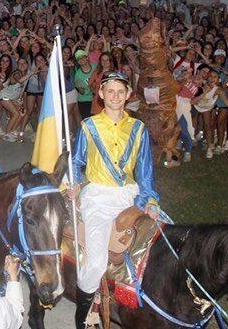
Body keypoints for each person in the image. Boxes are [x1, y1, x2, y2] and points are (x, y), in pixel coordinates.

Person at [69, 72, 160, 329]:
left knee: (159, 243)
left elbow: (145, 172)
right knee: (96, 260)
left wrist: (150, 200)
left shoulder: (138, 128)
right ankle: (83, 318)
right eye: (110, 91)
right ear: (100, 94)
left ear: (128, 95)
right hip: (98, 196)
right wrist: (74, 183)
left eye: (121, 92)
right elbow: (76, 163)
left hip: (129, 195)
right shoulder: (89, 126)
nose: (116, 97)